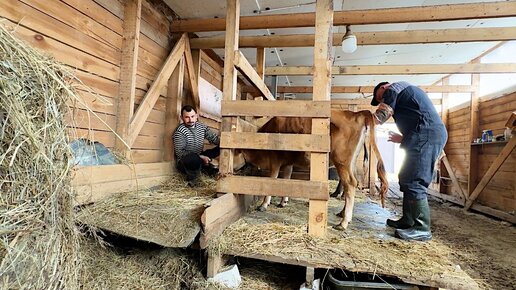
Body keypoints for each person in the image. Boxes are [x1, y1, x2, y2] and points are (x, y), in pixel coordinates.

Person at [371, 81, 447, 241]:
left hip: (426, 135)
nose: (381, 101)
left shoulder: (393, 89)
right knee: (406, 177)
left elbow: (381, 115)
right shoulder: (406, 93)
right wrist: (404, 138)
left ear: (383, 88)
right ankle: (408, 220)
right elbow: (418, 119)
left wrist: (363, 122)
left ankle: (422, 228)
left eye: (380, 97)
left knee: (415, 180)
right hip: (421, 135)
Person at [173, 105, 220, 186]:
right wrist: (200, 157)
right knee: (193, 159)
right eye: (187, 117)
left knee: (220, 148)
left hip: (200, 156)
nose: (190, 120)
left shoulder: (202, 127)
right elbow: (179, 153)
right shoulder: (180, 132)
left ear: (196, 116)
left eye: (192, 116)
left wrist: (226, 141)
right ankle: (194, 180)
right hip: (186, 161)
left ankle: (207, 170)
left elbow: (214, 139)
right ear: (182, 117)